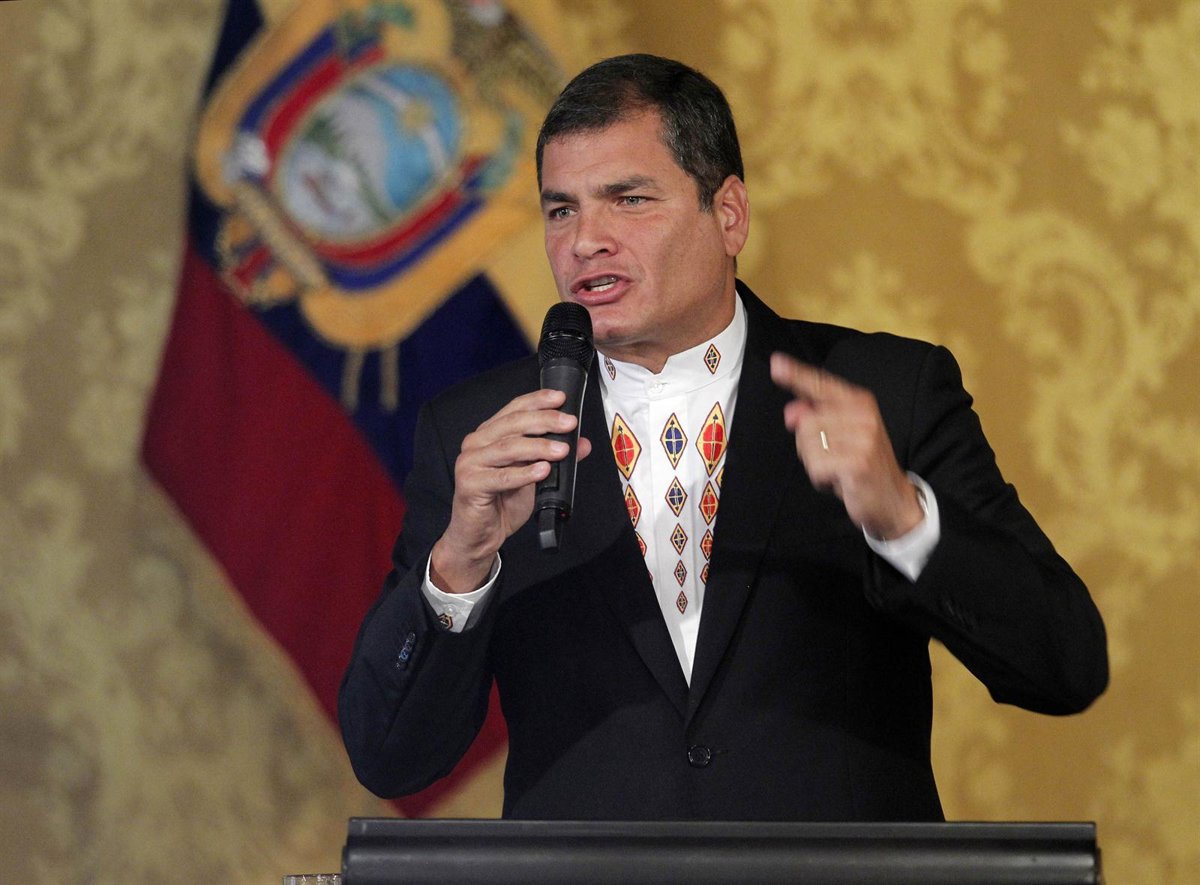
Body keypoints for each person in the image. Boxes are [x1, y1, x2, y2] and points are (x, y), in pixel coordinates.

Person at [338, 54, 1107, 821]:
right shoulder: (481, 435)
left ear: (729, 214)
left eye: (628, 199)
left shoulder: (883, 392)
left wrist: (906, 520)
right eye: (561, 210)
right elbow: (390, 756)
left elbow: (1065, 664)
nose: (584, 241)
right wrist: (459, 563)